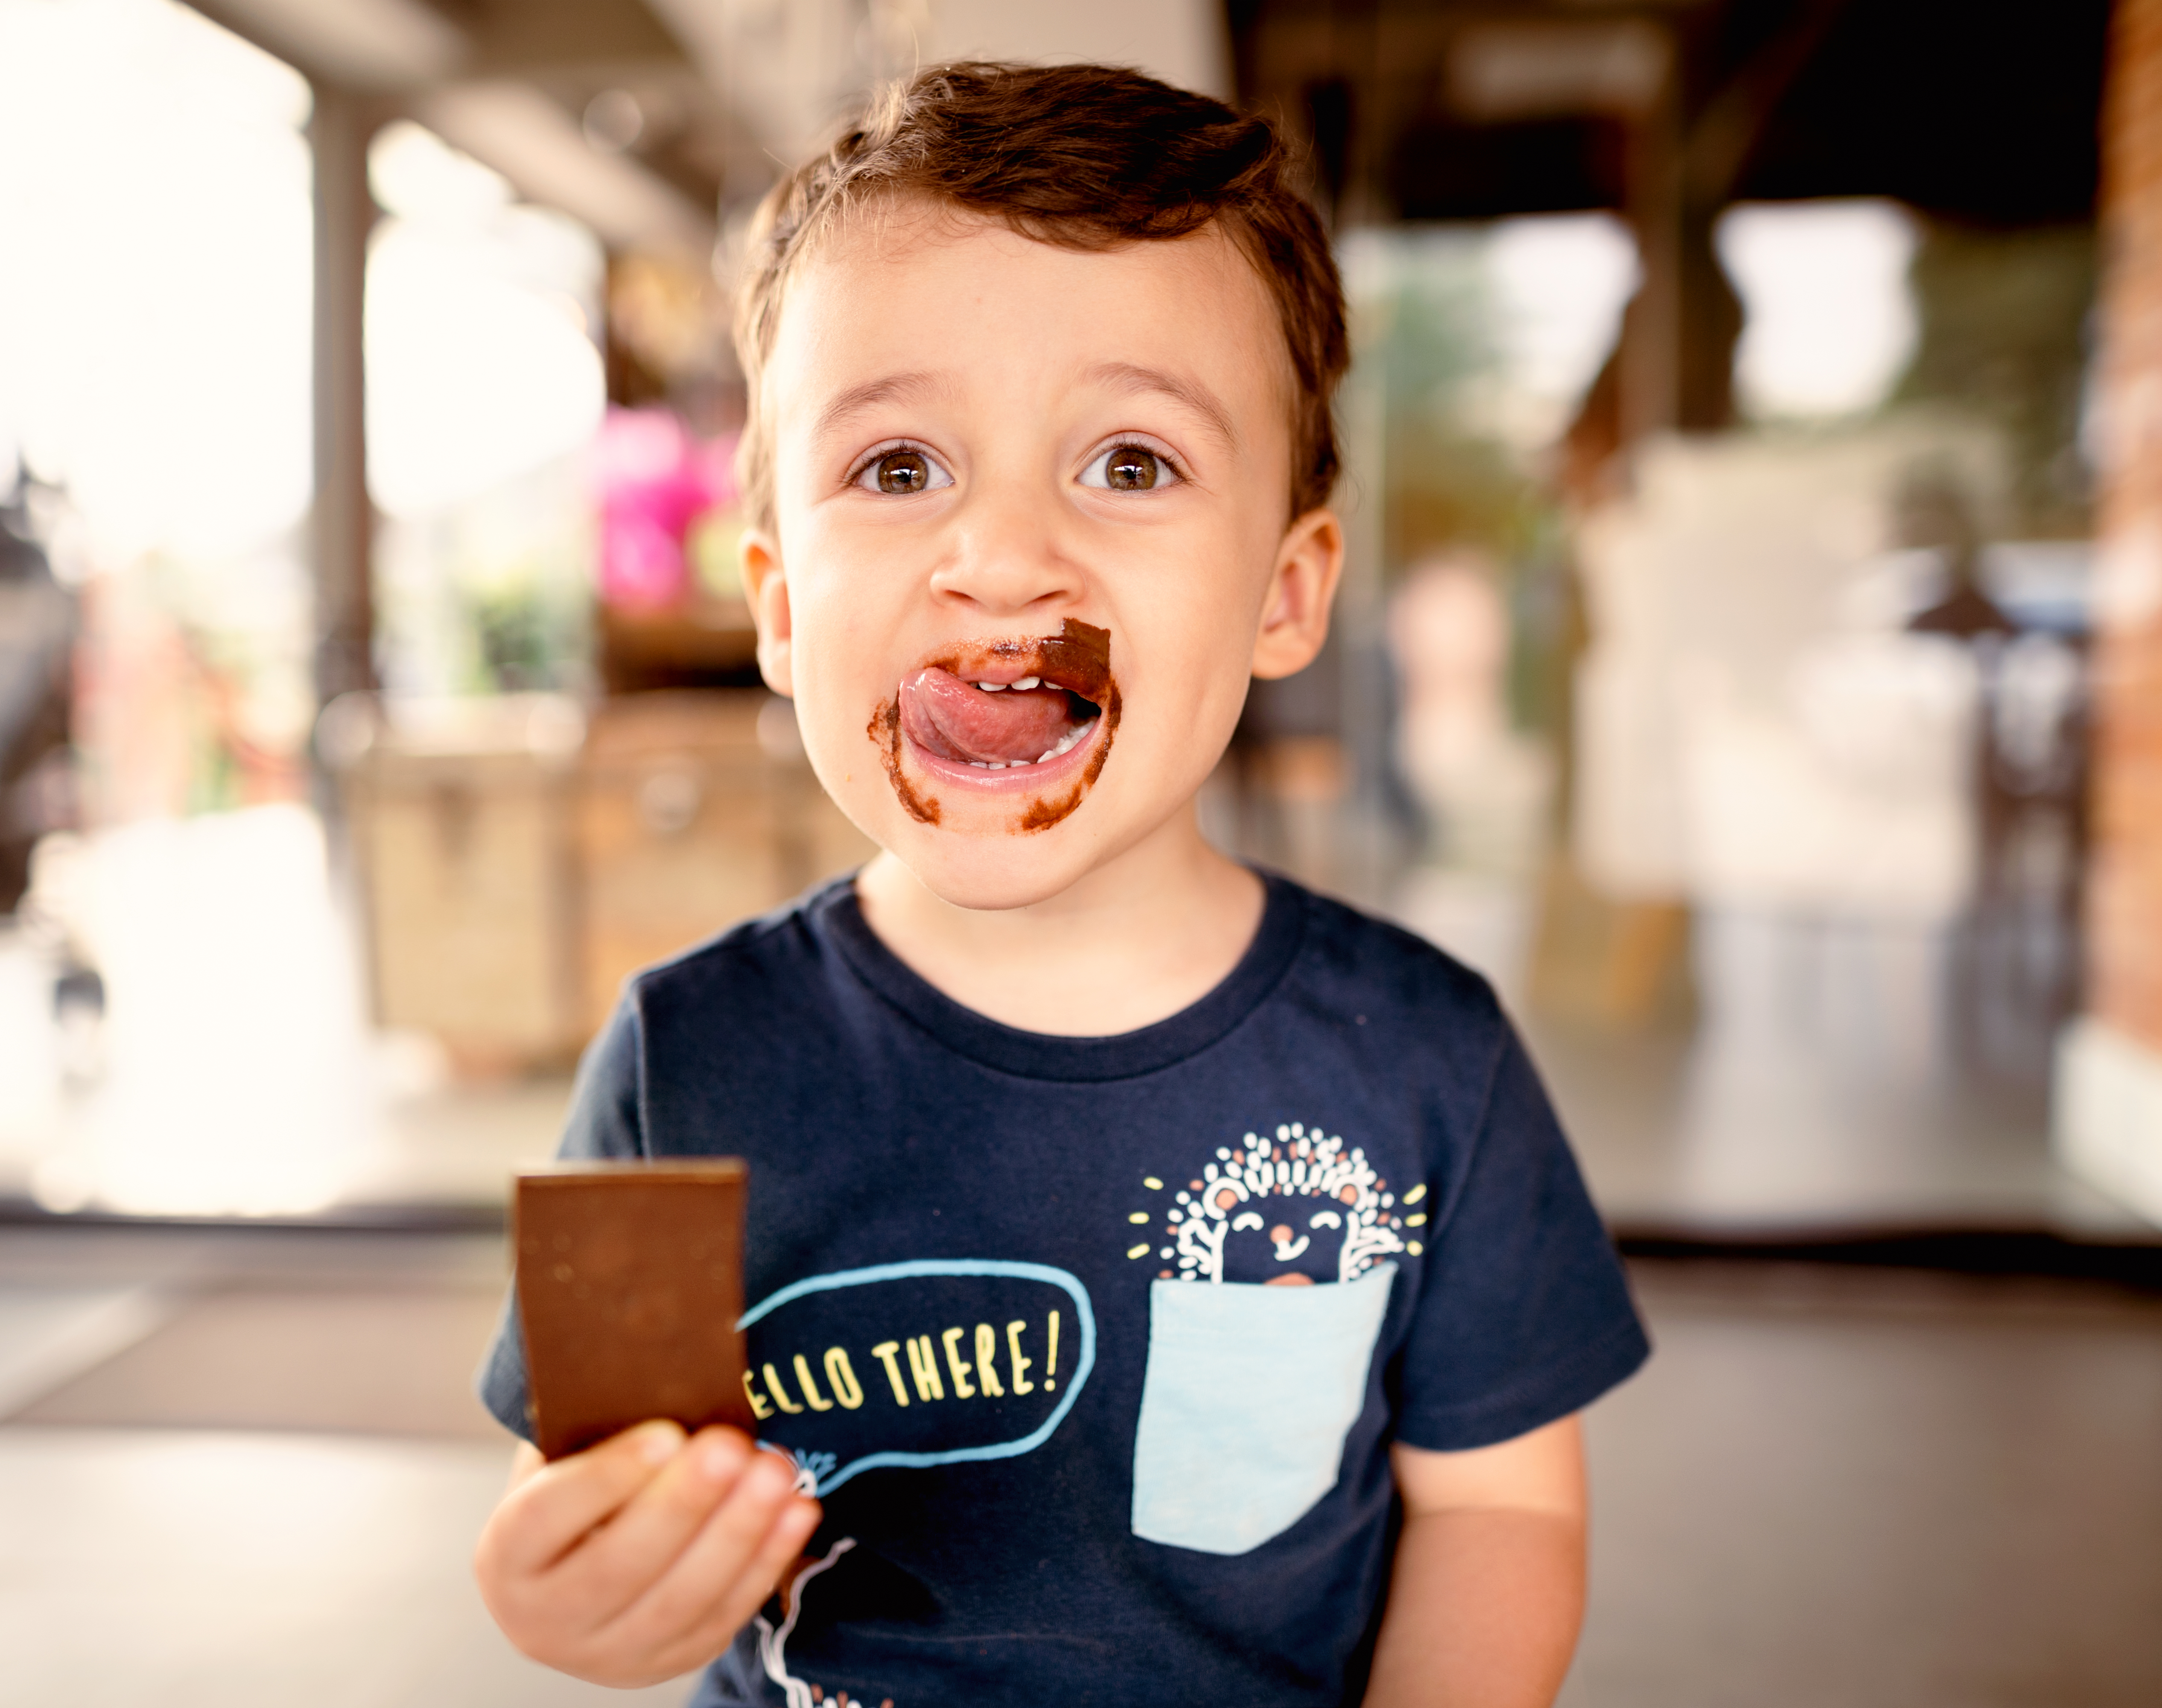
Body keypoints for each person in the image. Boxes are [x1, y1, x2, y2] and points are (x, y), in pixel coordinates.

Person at [472, 62, 1647, 1708]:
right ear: (784, 609)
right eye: (898, 469)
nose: (1006, 555)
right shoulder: (687, 1062)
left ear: (1287, 592)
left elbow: (1502, 1508)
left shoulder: (1423, 1061)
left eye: (1131, 464)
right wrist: (578, 1596)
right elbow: (598, 1491)